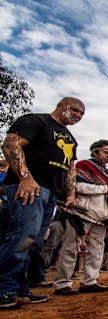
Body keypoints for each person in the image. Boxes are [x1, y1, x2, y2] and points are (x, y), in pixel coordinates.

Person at [0, 97, 84, 308]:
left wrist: (70, 194)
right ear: (60, 106)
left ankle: (21, 290)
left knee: (34, 242)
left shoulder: (71, 139)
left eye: (82, 114)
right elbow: (10, 144)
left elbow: (70, 168)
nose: (78, 115)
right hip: (30, 189)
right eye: (75, 110)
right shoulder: (36, 121)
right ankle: (3, 289)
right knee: (22, 236)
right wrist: (26, 179)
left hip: (52, 194)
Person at [54, 139, 108, 295]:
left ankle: (90, 281)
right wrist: (106, 189)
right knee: (71, 247)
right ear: (95, 151)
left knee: (97, 249)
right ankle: (62, 283)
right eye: (106, 152)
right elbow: (75, 186)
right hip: (81, 212)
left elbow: (107, 194)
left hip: (101, 216)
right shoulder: (82, 166)